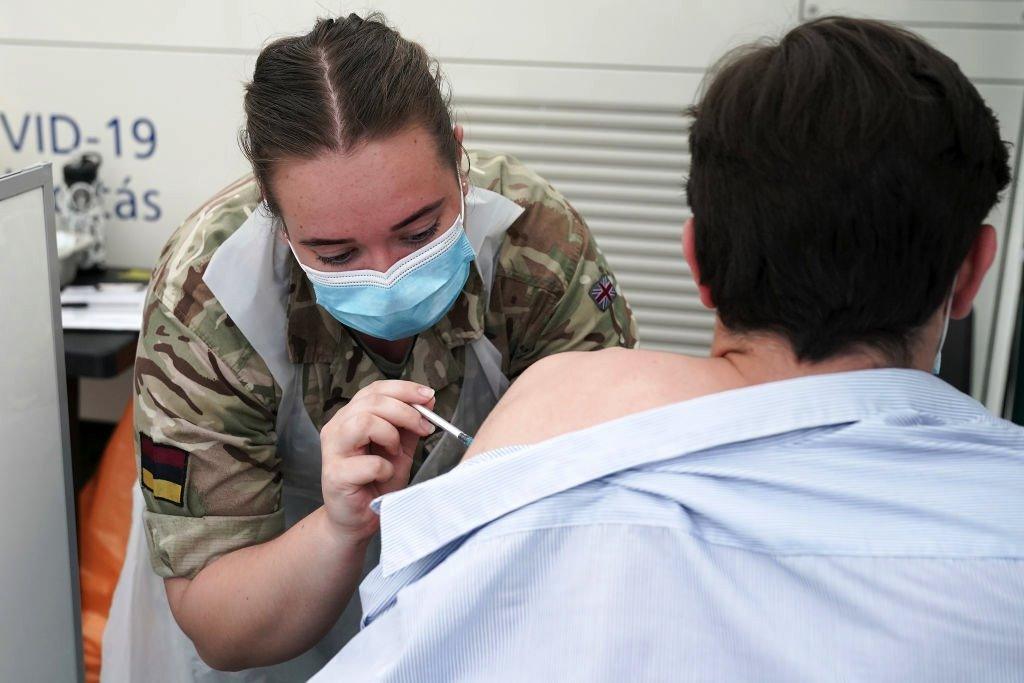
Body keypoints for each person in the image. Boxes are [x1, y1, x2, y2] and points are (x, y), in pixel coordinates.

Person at [314, 17, 1024, 682]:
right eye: (337, 250)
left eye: (415, 229)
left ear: (698, 263)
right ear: (972, 272)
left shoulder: (549, 422)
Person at [101, 13, 637, 682]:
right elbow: (218, 618)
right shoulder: (209, 298)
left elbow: (617, 497)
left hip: (494, 615)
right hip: (269, 633)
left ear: (460, 165)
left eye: (418, 231)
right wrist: (339, 527)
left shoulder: (536, 249)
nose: (387, 273)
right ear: (277, 218)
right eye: (336, 252)